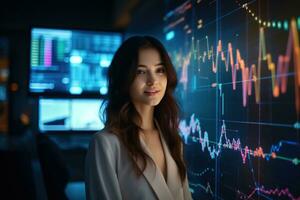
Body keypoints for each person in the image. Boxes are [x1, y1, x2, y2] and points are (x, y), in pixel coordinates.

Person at [85, 36, 193, 200]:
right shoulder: (105, 144)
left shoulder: (173, 140)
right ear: (124, 79)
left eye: (160, 70)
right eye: (141, 71)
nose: (153, 81)